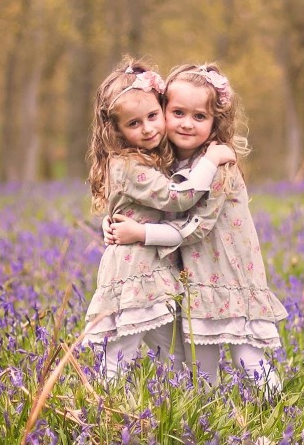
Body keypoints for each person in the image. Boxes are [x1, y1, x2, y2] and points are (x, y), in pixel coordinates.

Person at [104, 63, 288, 393]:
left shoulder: (217, 165)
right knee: (199, 369)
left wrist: (140, 234)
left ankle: (279, 410)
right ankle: (206, 420)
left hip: (227, 278)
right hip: (193, 282)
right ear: (163, 111)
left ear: (216, 121)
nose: (187, 123)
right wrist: (113, 222)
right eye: (177, 112)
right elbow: (148, 200)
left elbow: (195, 227)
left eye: (199, 117)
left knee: (247, 357)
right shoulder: (165, 160)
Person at [84, 58, 235, 380]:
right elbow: (177, 197)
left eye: (153, 116)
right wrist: (210, 160)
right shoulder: (126, 165)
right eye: (134, 124)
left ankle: (187, 408)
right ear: (117, 131)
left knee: (176, 355)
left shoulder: (151, 158)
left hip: (157, 274)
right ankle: (102, 406)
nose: (149, 128)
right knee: (122, 349)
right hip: (133, 272)